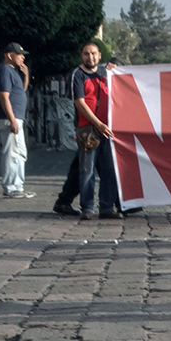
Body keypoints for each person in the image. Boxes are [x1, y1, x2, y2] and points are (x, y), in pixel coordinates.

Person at [54, 43, 121, 220]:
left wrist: (114, 71)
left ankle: (106, 207)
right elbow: (80, 103)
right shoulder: (78, 74)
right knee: (87, 171)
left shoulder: (107, 74)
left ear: (99, 56)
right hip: (88, 130)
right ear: (81, 56)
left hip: (108, 130)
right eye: (86, 54)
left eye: (93, 54)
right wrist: (98, 124)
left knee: (109, 171)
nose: (90, 57)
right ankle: (88, 208)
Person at [0, 42, 34, 199]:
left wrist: (25, 76)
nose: (23, 57)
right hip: (10, 118)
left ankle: (17, 185)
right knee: (12, 153)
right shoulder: (5, 71)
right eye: (19, 54)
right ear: (9, 55)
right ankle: (12, 187)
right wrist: (12, 119)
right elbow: (4, 96)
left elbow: (20, 92)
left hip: (16, 117)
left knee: (19, 153)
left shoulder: (13, 72)